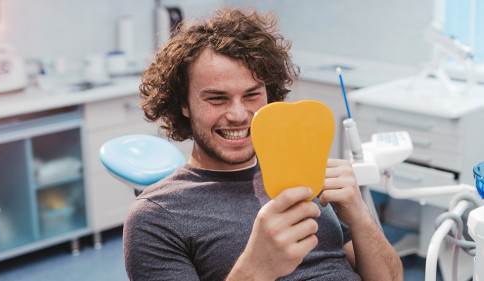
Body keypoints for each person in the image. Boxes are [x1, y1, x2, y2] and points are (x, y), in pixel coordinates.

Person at [123, 7, 403, 281]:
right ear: (183, 103)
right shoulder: (156, 216)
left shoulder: (304, 173)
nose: (238, 115)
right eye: (217, 98)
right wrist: (257, 267)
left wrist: (360, 217)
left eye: (252, 95)